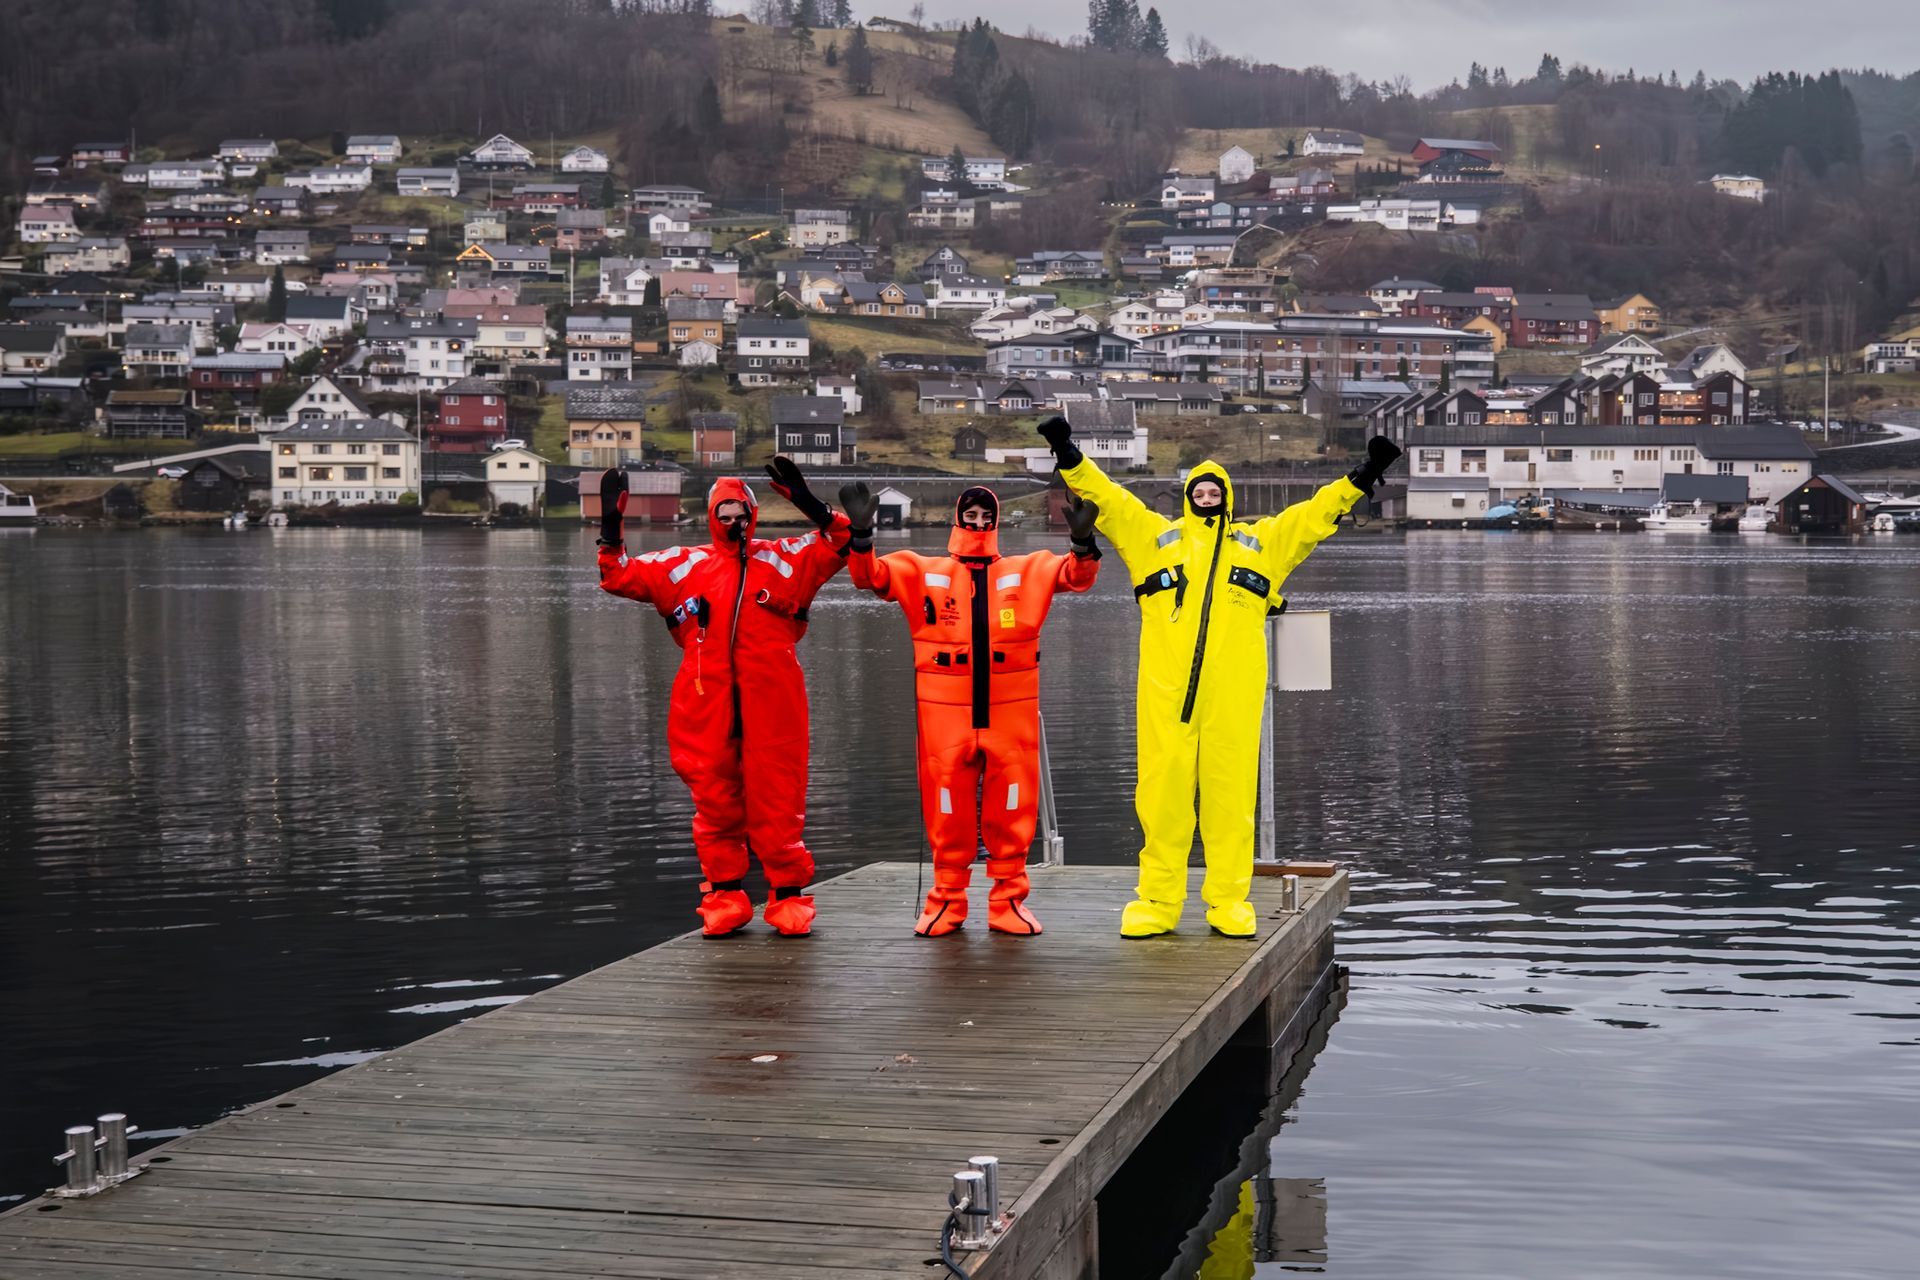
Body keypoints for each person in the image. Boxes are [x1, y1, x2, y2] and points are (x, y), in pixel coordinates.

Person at [1038, 420, 1402, 938]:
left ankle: (1229, 901)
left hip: (1233, 696)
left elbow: (1315, 515)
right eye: (1199, 492)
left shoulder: (1262, 543)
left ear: (1227, 498)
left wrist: (1364, 473)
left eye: (1215, 493)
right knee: (1161, 800)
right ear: (1188, 498)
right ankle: (1157, 902)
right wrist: (1066, 451)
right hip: (1166, 696)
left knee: (1230, 803)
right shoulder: (1153, 539)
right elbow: (1110, 499)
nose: (1207, 499)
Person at [595, 460, 850, 938]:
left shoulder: (786, 558)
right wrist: (611, 526)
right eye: (725, 515)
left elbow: (842, 539)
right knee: (714, 802)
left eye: (741, 514)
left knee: (779, 798)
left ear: (753, 515)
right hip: (703, 703)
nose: (734, 523)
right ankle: (726, 895)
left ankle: (788, 895)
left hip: (774, 703)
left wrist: (810, 503)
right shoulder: (682, 565)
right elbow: (618, 576)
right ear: (713, 517)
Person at [840, 481, 1101, 936]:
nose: (978, 523)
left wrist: (1081, 541)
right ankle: (946, 900)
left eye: (986, 517)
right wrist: (861, 535)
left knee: (1013, 805)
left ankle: (1008, 901)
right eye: (971, 516)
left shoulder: (1029, 569)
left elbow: (1077, 577)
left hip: (1010, 713)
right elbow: (869, 577)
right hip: (945, 714)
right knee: (946, 806)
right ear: (958, 520)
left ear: (995, 521)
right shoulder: (920, 570)